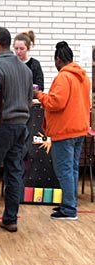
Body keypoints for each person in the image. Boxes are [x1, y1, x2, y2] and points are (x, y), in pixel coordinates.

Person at [0, 27, 33, 232]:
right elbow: (30, 100)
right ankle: (11, 219)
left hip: (1, 126)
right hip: (22, 126)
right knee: (14, 173)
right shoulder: (26, 70)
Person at [35, 41, 90, 220]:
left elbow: (55, 102)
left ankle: (69, 209)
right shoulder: (83, 76)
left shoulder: (63, 77)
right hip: (80, 129)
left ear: (58, 60)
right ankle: (70, 203)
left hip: (64, 130)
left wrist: (39, 95)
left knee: (64, 170)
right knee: (72, 169)